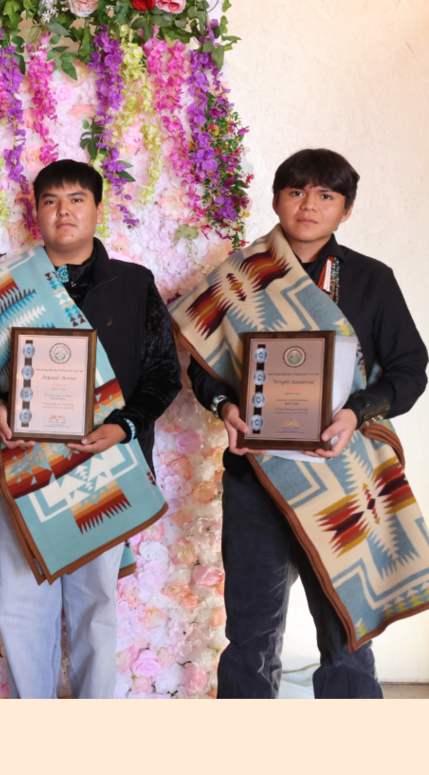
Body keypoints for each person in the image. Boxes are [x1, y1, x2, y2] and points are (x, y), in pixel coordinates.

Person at [174, 148, 428, 698]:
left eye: (326, 195)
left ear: (347, 209)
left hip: (341, 473)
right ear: (276, 200)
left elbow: (411, 370)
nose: (309, 205)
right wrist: (227, 408)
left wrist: (355, 413)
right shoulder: (237, 279)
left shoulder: (370, 280)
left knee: (344, 627)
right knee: (250, 630)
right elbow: (203, 371)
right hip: (256, 474)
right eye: (296, 191)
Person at [0, 160, 181, 698]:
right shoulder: (0, 288)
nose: (63, 211)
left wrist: (126, 426)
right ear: (36, 212)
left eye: (76, 200)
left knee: (96, 603)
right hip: (24, 465)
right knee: (21, 603)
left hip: (107, 464)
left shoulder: (135, 285)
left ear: (97, 208)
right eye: (51, 201)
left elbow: (165, 373)